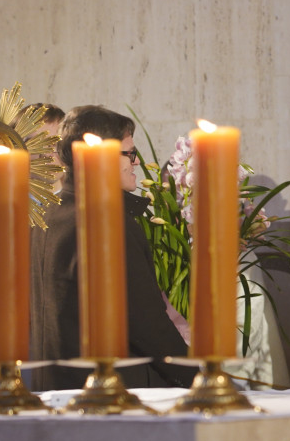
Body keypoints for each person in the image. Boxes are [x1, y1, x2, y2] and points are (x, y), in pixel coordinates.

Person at [30, 105, 196, 391]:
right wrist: (199, 377)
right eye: (129, 153)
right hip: (112, 394)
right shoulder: (109, 222)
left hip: (54, 389)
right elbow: (146, 323)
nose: (136, 162)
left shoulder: (43, 216)